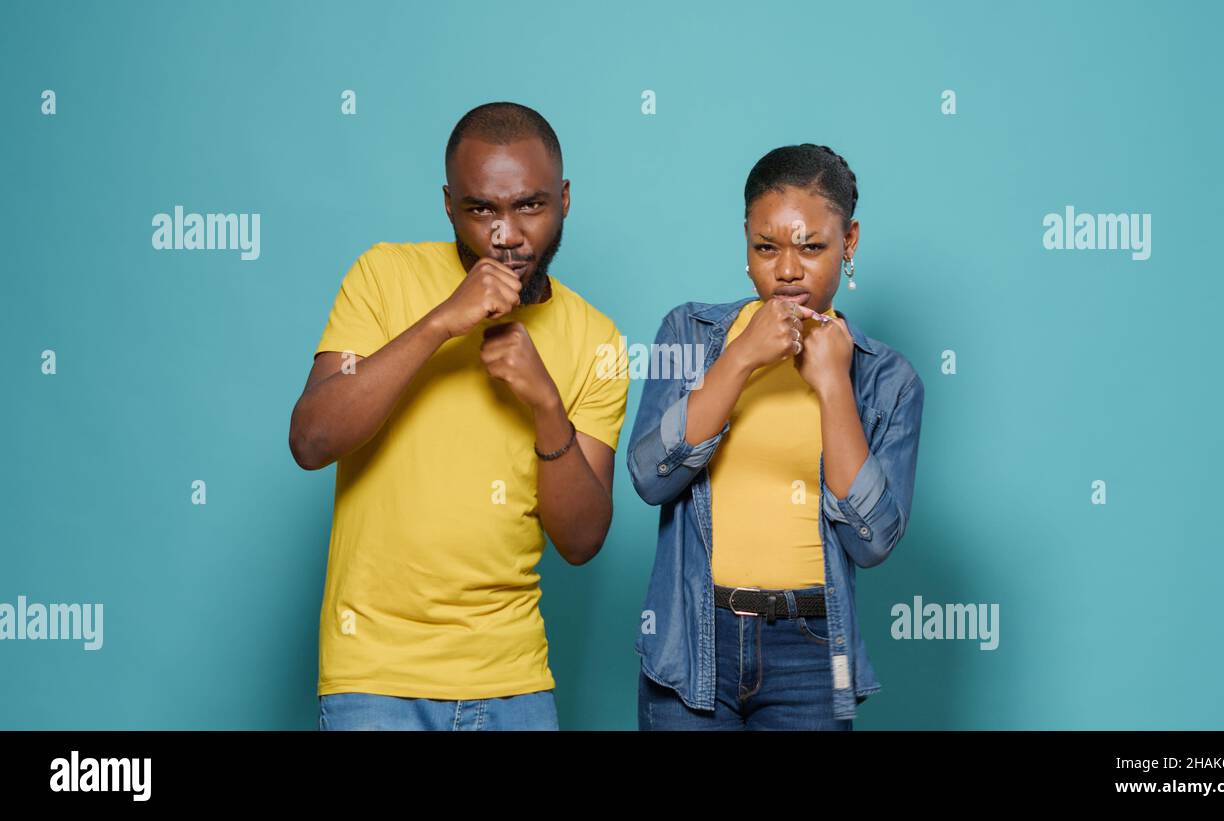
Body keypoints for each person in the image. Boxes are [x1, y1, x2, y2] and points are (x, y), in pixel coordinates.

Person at [290, 102, 629, 730]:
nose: (507, 235)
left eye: (531, 205)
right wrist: (443, 321)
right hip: (376, 679)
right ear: (449, 205)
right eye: (482, 210)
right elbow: (312, 439)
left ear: (565, 199)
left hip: (514, 683)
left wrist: (546, 405)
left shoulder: (598, 340)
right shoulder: (383, 275)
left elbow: (581, 542)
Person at [627, 143, 925, 730]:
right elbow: (648, 475)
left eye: (812, 247)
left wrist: (834, 387)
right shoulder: (689, 331)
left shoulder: (888, 380)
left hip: (816, 652)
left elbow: (873, 542)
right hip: (693, 638)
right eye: (766, 247)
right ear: (745, 241)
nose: (787, 270)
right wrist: (739, 360)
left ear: (850, 242)